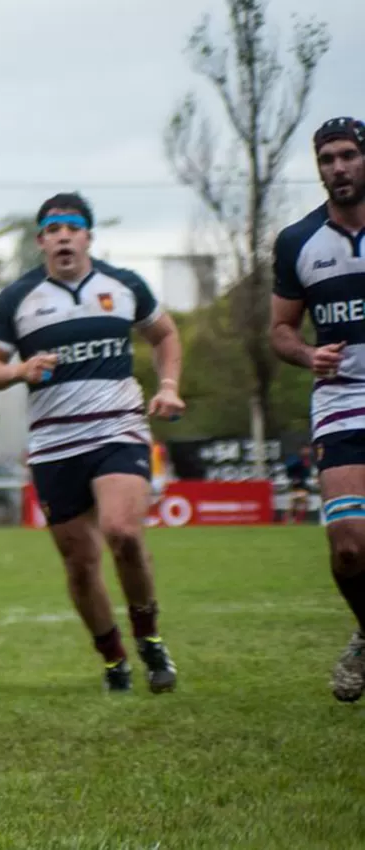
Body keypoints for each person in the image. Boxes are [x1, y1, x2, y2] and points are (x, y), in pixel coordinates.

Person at [0, 191, 184, 694]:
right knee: (79, 561)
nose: (63, 235)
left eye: (72, 226)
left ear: (89, 235)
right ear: (41, 240)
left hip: (118, 430)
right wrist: (19, 369)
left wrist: (170, 386)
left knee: (123, 533)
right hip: (54, 445)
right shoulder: (17, 299)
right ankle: (113, 659)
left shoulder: (125, 286)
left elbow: (166, 336)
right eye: (52, 228)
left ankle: (149, 639)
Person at [268, 116, 365, 703]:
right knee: (350, 548)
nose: (338, 168)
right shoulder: (297, 242)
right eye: (327, 158)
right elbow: (279, 330)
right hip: (341, 402)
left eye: (349, 155)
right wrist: (308, 354)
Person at [285, 444, 317, 525]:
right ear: (301, 450)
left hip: (303, 485)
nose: (308, 451)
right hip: (297, 486)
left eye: (308, 449)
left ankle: (296, 519)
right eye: (306, 449)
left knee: (302, 503)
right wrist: (294, 478)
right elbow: (289, 468)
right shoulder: (296, 459)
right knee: (297, 503)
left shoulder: (308, 460)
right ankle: (292, 519)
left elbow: (307, 473)